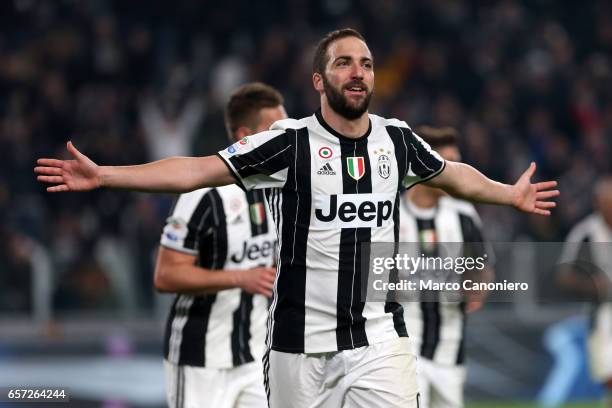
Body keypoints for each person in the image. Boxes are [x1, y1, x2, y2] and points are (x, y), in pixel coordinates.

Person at [35, 28, 559, 408]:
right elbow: (196, 169)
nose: (358, 71)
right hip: (297, 343)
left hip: (379, 336)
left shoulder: (396, 139)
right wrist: (106, 175)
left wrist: (506, 194)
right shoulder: (289, 144)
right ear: (319, 79)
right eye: (344, 63)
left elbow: (451, 174)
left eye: (367, 63)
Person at [154, 82, 284, 408]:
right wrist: (240, 278)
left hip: (257, 356)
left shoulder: (284, 192)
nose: (285, 140)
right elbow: (166, 275)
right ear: (245, 137)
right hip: (201, 360)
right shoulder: (203, 194)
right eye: (275, 131)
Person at [398, 126, 493, 408]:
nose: (458, 174)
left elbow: (483, 267)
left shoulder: (464, 215)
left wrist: (478, 288)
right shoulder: (391, 214)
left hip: (451, 345)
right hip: (403, 344)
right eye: (450, 164)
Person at [558, 176, 612, 407]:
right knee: (608, 373)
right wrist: (592, 285)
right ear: (597, 203)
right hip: (602, 315)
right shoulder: (585, 233)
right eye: (607, 201)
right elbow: (564, 276)